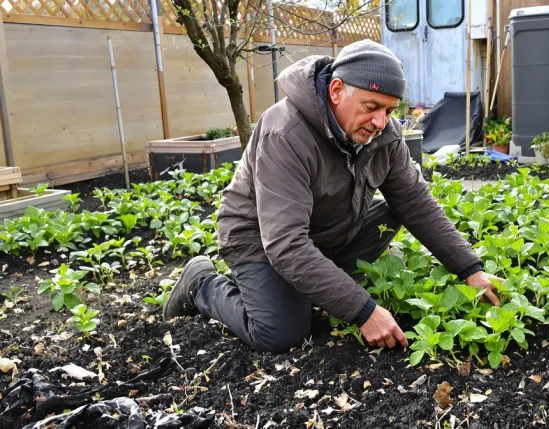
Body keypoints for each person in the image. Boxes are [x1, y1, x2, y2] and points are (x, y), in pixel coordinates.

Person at [162, 39, 500, 352]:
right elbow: (285, 243)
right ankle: (201, 283)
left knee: (398, 208)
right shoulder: (285, 133)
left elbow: (415, 200)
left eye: (391, 110)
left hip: (325, 230)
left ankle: (313, 282)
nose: (381, 122)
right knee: (281, 333)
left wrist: (469, 268)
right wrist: (363, 310)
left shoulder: (386, 134)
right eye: (373, 106)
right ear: (337, 90)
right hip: (259, 240)